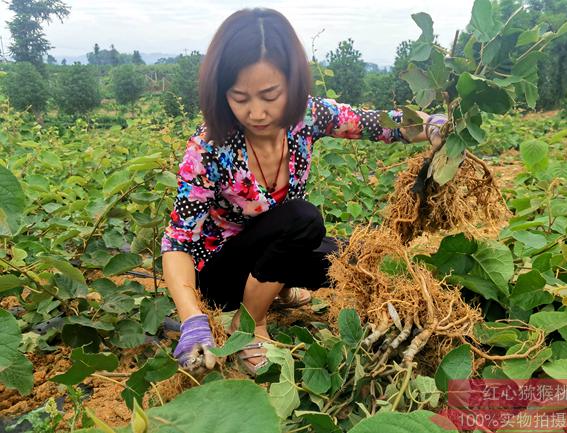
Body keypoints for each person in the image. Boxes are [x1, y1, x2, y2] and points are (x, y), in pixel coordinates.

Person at [161, 7, 447, 376]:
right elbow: (178, 242)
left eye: (269, 94)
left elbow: (373, 123)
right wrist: (191, 318)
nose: (257, 112)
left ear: (292, 83)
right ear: (222, 93)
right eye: (240, 97)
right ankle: (249, 325)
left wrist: (430, 124)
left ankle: (273, 290)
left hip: (270, 250)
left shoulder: (305, 117)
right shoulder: (209, 148)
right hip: (219, 272)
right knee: (303, 220)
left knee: (351, 258)